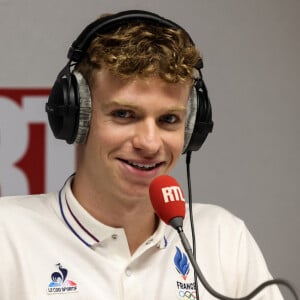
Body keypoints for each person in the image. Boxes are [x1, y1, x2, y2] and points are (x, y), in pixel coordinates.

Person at [0, 10, 285, 300]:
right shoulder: (7, 235)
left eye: (169, 120)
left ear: (191, 128)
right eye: (124, 114)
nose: (149, 143)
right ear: (77, 117)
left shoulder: (224, 238)